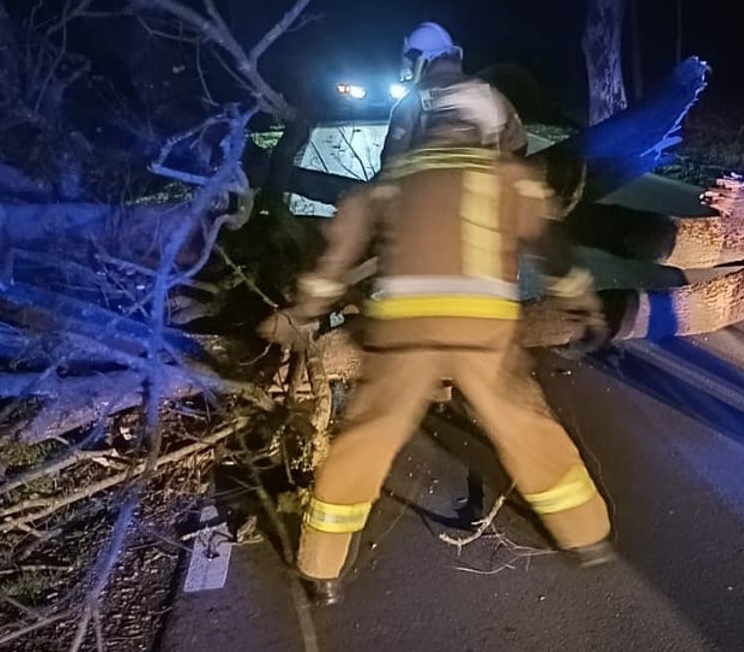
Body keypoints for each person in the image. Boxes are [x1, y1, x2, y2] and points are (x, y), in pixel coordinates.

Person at [261, 81, 610, 607]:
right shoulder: (507, 177)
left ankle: (321, 569)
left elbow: (336, 259)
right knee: (527, 427)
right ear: (487, 129)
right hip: (484, 334)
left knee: (367, 437)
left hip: (403, 333)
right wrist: (584, 303)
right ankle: (587, 537)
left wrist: (300, 314)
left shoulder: (391, 182)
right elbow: (551, 248)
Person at [384, 21, 529, 168]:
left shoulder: (410, 104)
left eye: (412, 61)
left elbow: (392, 163)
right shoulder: (492, 95)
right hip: (488, 181)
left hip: (432, 181)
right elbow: (519, 147)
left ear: (423, 60)